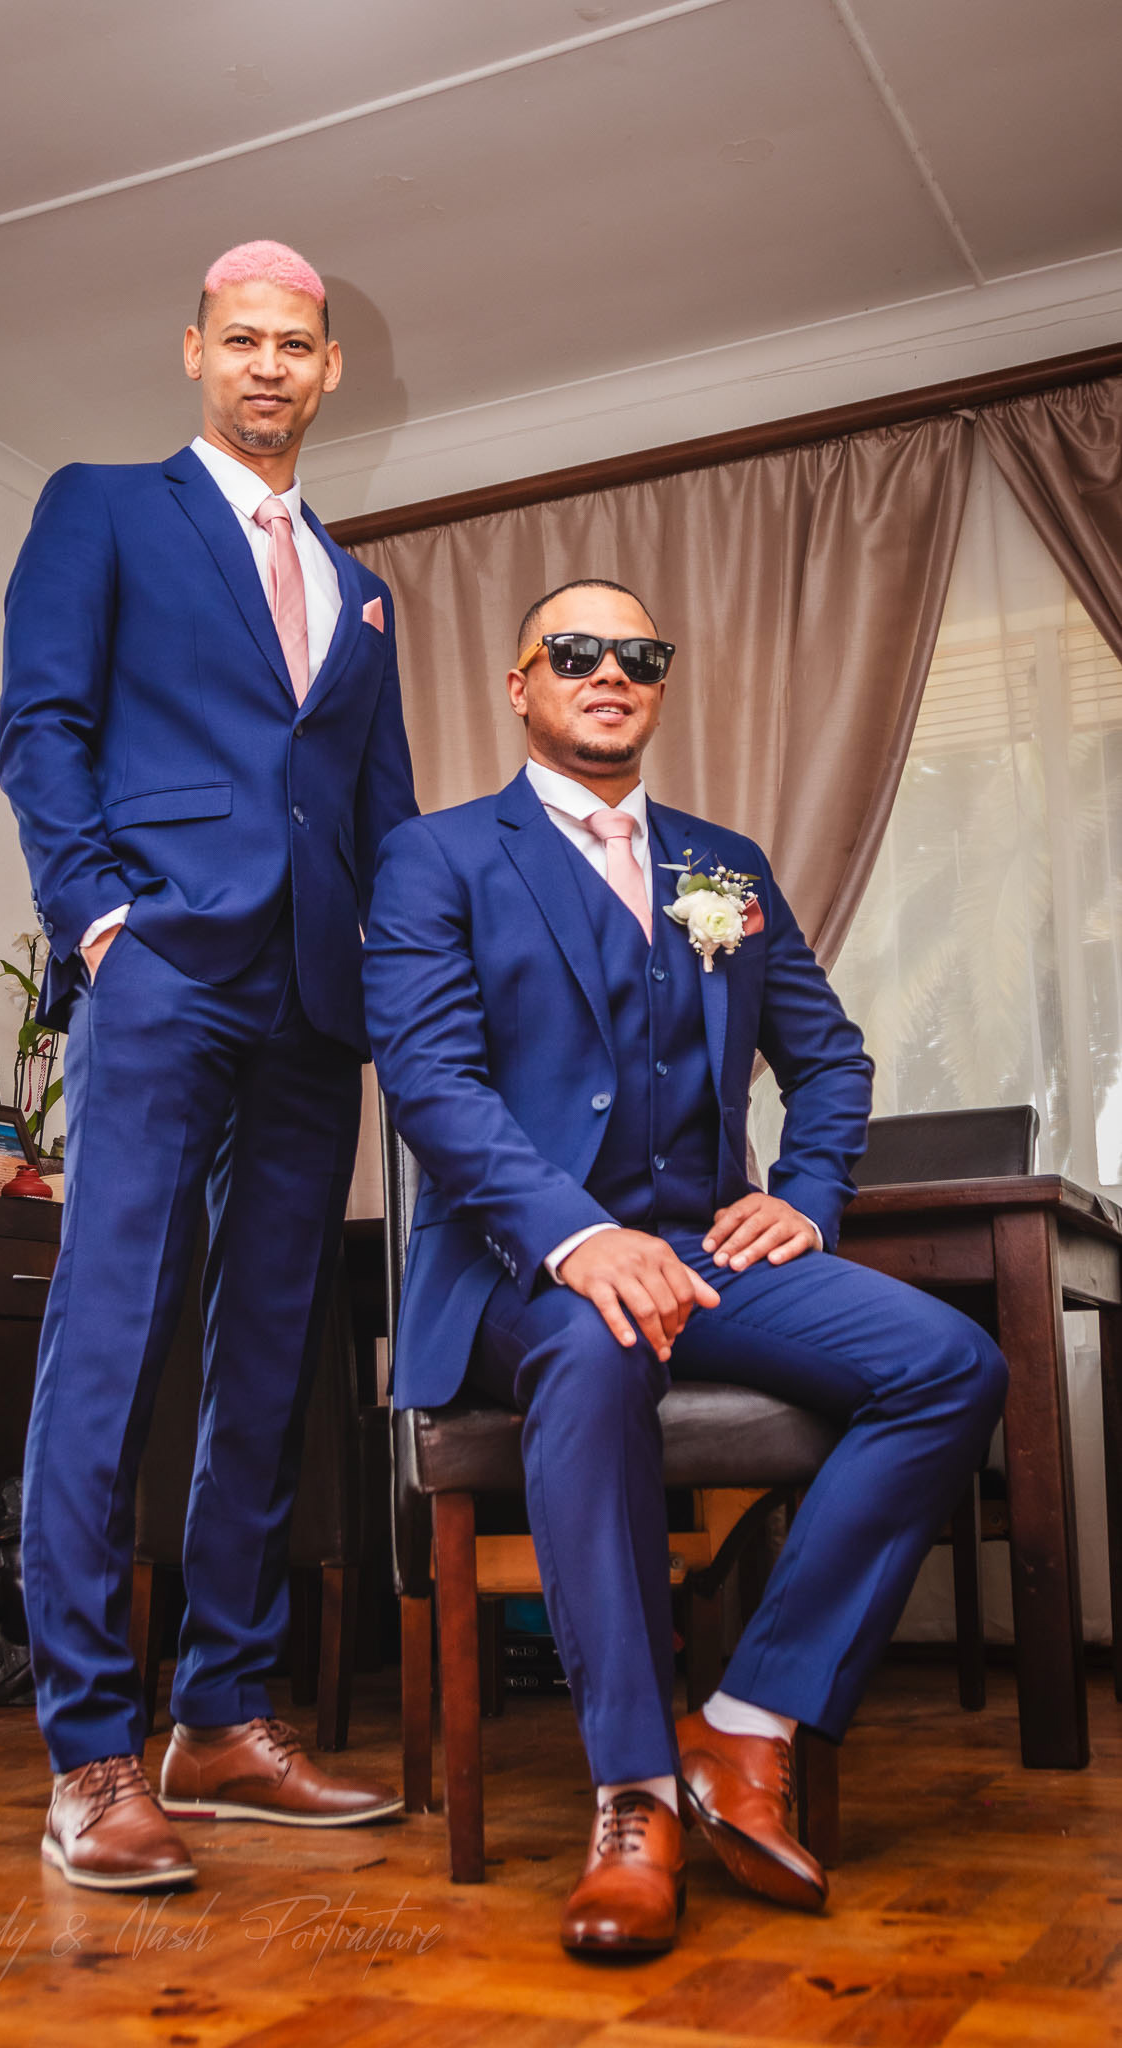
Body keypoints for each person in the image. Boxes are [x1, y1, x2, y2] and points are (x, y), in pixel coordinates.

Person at [362, 577, 1007, 1955]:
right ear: (521, 686)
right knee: (595, 1346)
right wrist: (578, 1237)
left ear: (658, 686)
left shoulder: (724, 866)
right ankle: (633, 1794)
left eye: (639, 654)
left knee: (949, 1364)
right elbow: (430, 1082)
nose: (611, 671)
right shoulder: (436, 857)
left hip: (707, 1247)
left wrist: (808, 1200)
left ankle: (748, 1721)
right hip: (518, 1267)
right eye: (575, 651)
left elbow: (828, 1061)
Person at [0, 240, 415, 1892]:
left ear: (328, 369)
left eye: (293, 344)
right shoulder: (102, 508)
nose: (266, 365)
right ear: (194, 352)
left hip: (315, 1002)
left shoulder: (363, 592)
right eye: (239, 339)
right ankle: (89, 1751)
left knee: (271, 1358)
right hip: (163, 969)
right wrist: (101, 924)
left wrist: (399, 981)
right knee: (109, 1341)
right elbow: (44, 726)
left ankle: (224, 1718)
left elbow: (381, 816)